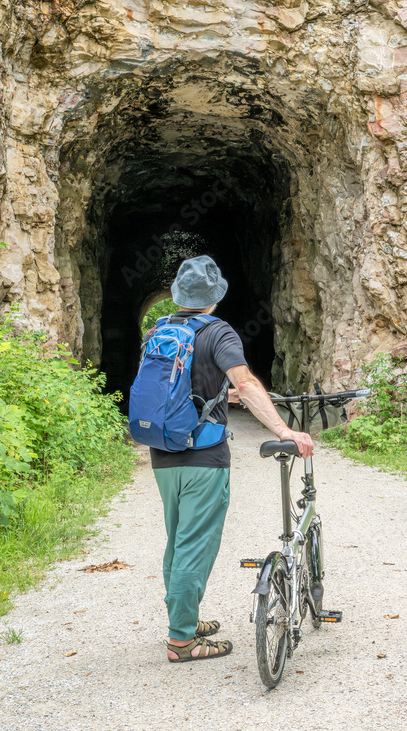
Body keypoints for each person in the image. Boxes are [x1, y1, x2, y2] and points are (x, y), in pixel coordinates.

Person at [151, 254, 313, 662]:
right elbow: (246, 380)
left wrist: (225, 396)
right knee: (195, 546)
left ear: (179, 296)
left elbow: (177, 389)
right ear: (214, 296)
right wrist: (283, 430)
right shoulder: (218, 331)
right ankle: (181, 641)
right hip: (203, 457)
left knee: (178, 542)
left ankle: (183, 617)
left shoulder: (161, 329)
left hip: (163, 452)